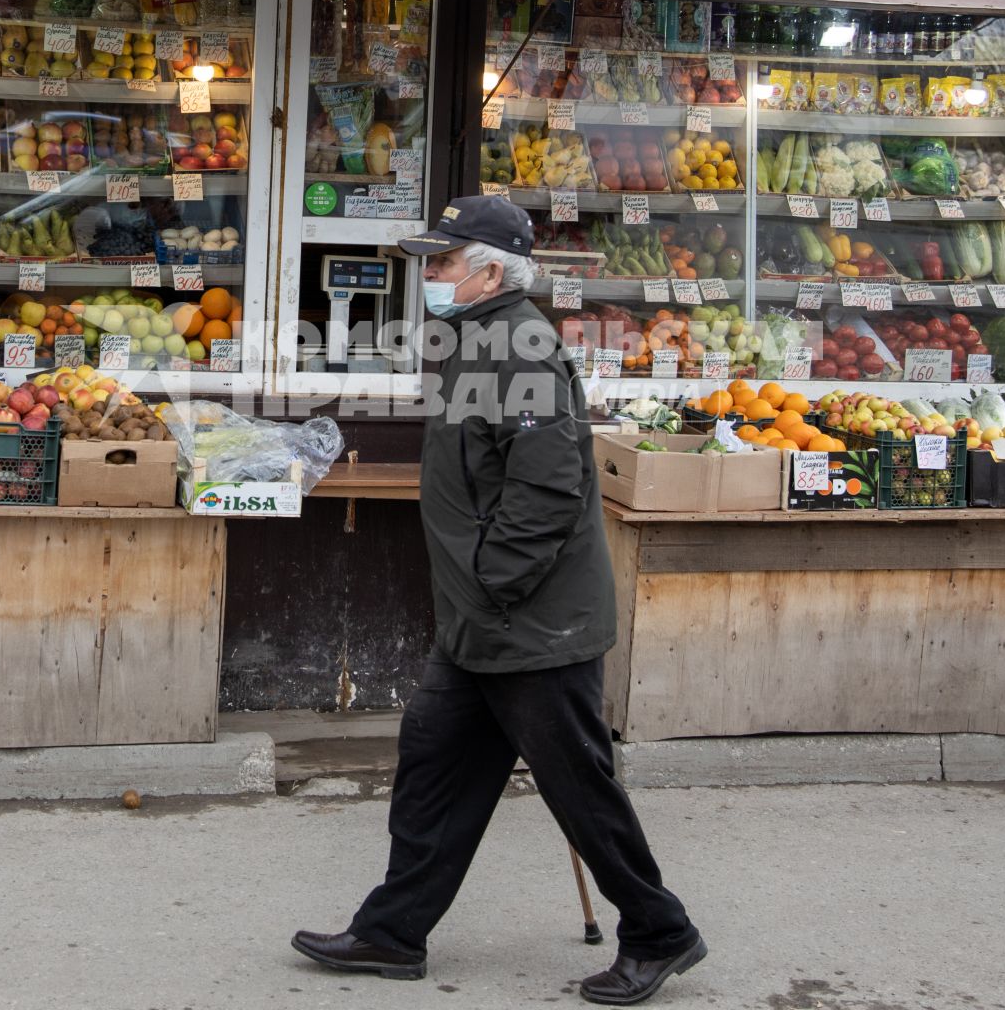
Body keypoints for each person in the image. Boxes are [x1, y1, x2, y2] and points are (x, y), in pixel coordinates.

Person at [291, 196, 705, 1007]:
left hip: (531, 620)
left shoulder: (519, 351)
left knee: (577, 785)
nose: (430, 276)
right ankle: (392, 930)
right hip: (482, 618)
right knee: (434, 765)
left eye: (442, 263)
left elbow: (546, 493)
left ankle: (659, 930)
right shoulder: (478, 338)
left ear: (488, 271)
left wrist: (486, 580)